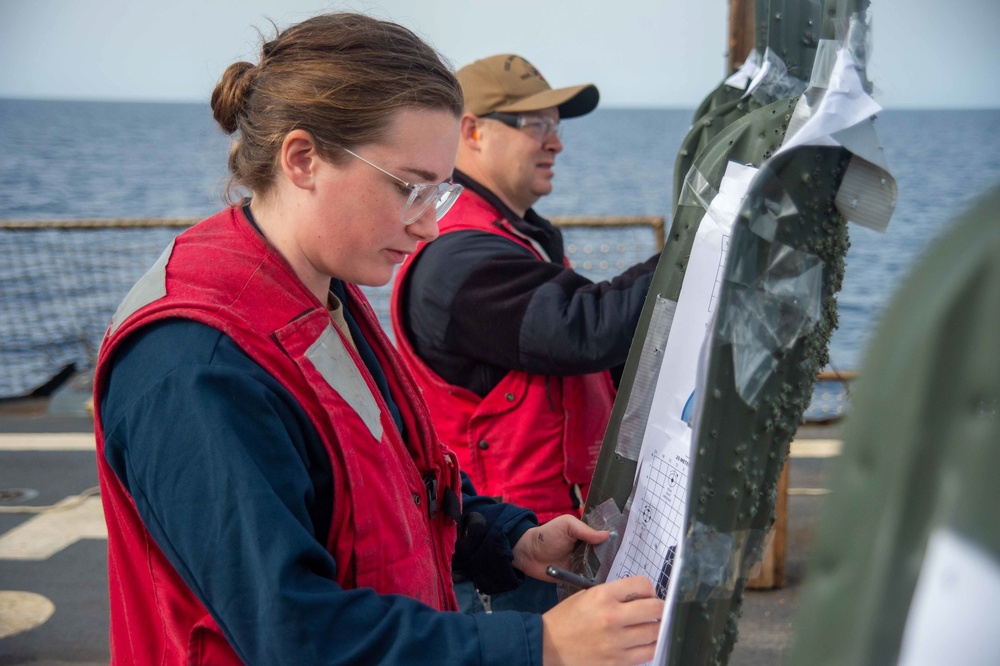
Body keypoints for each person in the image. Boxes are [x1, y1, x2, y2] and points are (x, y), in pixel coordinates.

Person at [92, 13, 664, 666]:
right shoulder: (196, 363)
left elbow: (395, 484)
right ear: (302, 159)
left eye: (439, 192)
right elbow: (293, 635)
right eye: (407, 188)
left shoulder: (323, 291)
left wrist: (508, 540)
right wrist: (541, 644)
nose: (425, 227)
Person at [390, 54, 660, 613]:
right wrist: (696, 247)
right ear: (472, 131)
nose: (555, 142)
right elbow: (584, 330)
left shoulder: (512, 240)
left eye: (556, 126)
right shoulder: (458, 258)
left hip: (544, 546)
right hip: (504, 567)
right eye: (536, 124)